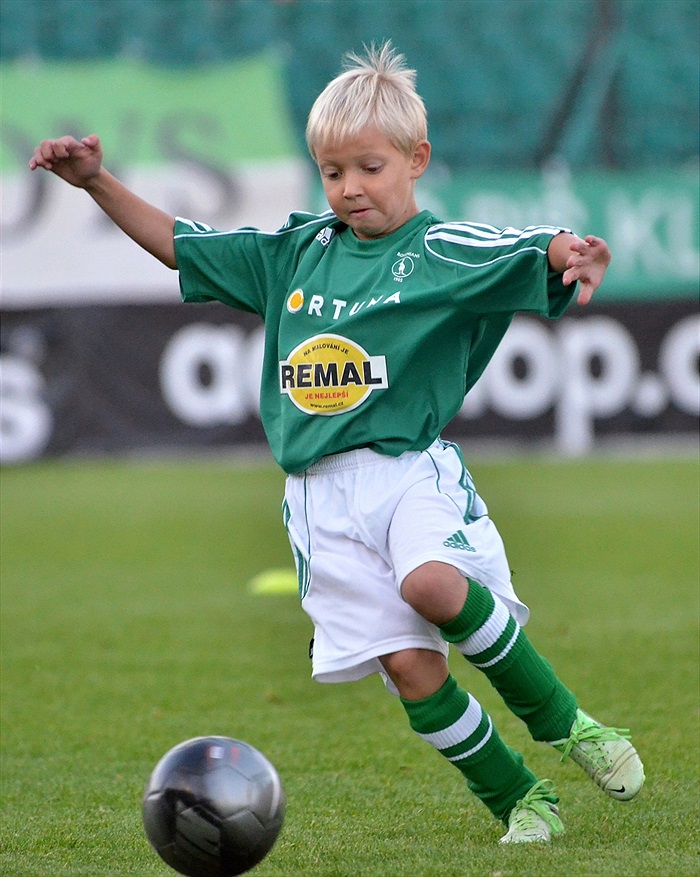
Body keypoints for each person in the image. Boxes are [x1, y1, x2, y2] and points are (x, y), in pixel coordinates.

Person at [29, 41, 644, 845]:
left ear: (416, 159)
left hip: (405, 473)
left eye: (370, 167)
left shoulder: (437, 251)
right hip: (318, 498)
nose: (349, 187)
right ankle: (521, 800)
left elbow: (527, 247)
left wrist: (574, 250)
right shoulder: (294, 252)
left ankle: (571, 726)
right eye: (332, 171)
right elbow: (184, 243)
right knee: (411, 669)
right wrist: (97, 183)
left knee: (432, 586)